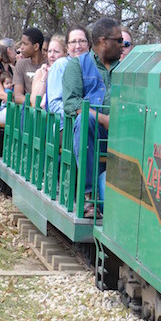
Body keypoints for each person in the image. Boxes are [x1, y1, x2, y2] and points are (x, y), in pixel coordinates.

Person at [62, 17, 123, 218]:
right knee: (84, 119)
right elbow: (71, 103)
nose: (123, 45)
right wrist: (103, 119)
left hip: (121, 132)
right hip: (91, 133)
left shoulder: (126, 67)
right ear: (104, 41)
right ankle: (89, 196)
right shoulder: (78, 65)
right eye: (119, 40)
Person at [13, 28, 46, 105]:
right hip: (27, 111)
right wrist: (33, 104)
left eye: (25, 44)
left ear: (36, 47)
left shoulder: (48, 65)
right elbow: (18, 96)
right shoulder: (21, 64)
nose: (21, 47)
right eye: (21, 44)